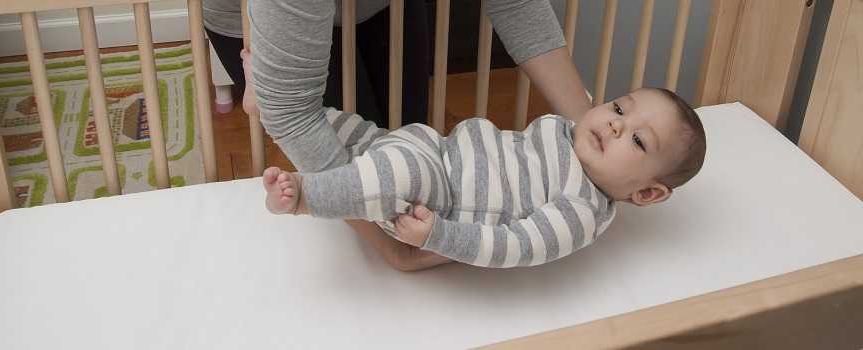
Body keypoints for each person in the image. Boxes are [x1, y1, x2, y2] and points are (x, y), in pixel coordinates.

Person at [246, 0, 597, 271]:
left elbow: (518, 6)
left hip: (384, 14)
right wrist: (395, 248)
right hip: (282, 20)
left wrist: (588, 126)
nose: (615, 127)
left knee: (384, 143)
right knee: (384, 176)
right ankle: (265, 94)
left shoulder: (583, 195)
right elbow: (292, 114)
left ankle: (264, 90)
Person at [261, 88, 706, 268]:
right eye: (619, 107)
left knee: (390, 175)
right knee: (357, 134)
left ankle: (306, 194)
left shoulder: (580, 210)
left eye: (639, 141)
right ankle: (269, 101)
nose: (615, 124)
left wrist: (439, 235)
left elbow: (513, 245)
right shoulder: (570, 133)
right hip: (433, 146)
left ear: (647, 192)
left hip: (437, 199)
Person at [203, 0, 430, 127]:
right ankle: (274, 102)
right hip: (270, 13)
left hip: (378, 6)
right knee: (355, 160)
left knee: (410, 139)